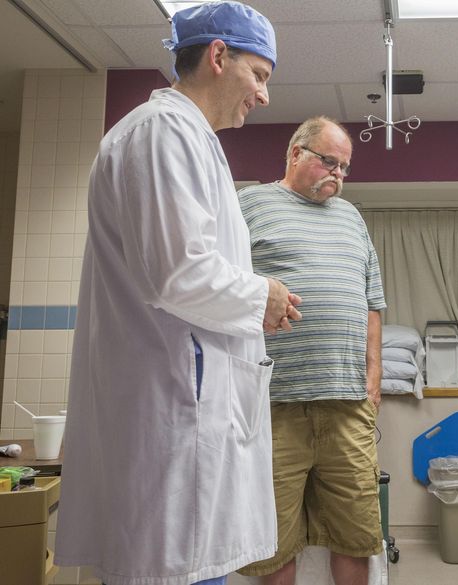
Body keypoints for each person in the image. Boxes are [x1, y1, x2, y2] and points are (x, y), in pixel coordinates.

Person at [54, 3, 301, 585]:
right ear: (219, 56)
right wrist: (261, 294)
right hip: (171, 418)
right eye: (260, 75)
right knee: (174, 562)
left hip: (178, 420)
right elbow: (178, 273)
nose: (263, 95)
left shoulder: (186, 139)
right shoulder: (163, 132)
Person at [237, 117, 386, 585]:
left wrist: (373, 382)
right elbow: (220, 288)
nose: (338, 174)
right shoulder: (250, 204)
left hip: (347, 406)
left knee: (355, 535)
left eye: (345, 167)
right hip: (273, 405)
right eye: (329, 160)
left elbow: (372, 302)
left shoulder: (351, 217)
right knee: (274, 539)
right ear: (295, 153)